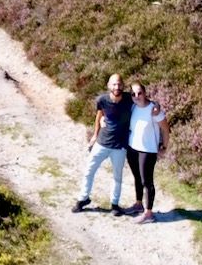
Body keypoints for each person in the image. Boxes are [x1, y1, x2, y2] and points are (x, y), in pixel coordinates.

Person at [72, 73, 131, 216]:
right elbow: (99, 115)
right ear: (109, 85)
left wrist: (156, 107)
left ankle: (114, 205)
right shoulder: (102, 100)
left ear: (123, 85)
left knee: (117, 176)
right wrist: (95, 135)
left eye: (119, 84)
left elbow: (144, 101)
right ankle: (83, 199)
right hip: (102, 142)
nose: (117, 87)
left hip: (120, 146)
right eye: (114, 84)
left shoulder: (129, 99)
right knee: (89, 171)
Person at [126, 81, 169, 223]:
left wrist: (164, 147)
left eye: (139, 93)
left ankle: (149, 213)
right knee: (137, 178)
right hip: (132, 147)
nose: (136, 96)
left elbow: (165, 129)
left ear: (145, 93)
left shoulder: (154, 110)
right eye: (133, 94)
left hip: (148, 150)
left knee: (146, 181)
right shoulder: (133, 106)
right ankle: (138, 204)